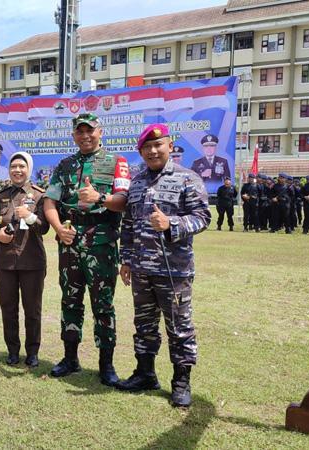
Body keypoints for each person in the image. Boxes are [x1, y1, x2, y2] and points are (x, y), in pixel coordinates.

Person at [116, 123, 210, 408]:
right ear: (141, 152)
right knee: (144, 325)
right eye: (147, 147)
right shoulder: (137, 181)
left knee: (179, 328)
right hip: (142, 269)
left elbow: (203, 217)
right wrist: (126, 259)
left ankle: (181, 382)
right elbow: (129, 224)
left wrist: (173, 224)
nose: (154, 151)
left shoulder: (187, 179)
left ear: (170, 146)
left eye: (159, 145)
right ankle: (145, 374)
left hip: (174, 271)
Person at [43, 112, 130, 386]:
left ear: (100, 132)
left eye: (89, 130)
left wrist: (99, 198)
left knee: (103, 304)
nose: (85, 136)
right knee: (70, 300)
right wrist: (58, 229)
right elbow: (49, 202)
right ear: (74, 135)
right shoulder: (65, 165)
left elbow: (125, 201)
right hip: (69, 242)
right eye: (80, 132)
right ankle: (70, 358)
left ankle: (106, 365)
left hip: (101, 242)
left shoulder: (118, 163)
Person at [0, 152, 49, 367]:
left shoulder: (40, 195)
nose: (17, 170)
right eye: (13, 166)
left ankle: (32, 352)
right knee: (8, 307)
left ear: (29, 169)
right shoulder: (1, 195)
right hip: (5, 261)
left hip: (32, 261)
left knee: (32, 309)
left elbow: (44, 227)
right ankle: (12, 350)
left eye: (21, 166)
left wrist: (31, 216)